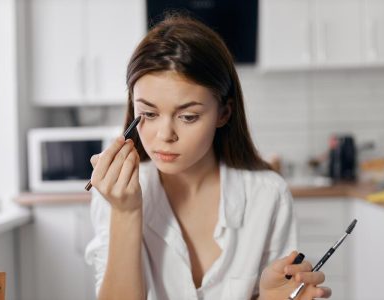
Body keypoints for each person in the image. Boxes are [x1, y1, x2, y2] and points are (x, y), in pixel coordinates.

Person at [85, 13, 331, 300]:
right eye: (149, 114)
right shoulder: (115, 193)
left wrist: (269, 296)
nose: (165, 134)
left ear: (223, 113)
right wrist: (126, 212)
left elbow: (281, 291)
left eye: (188, 116)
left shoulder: (268, 195)